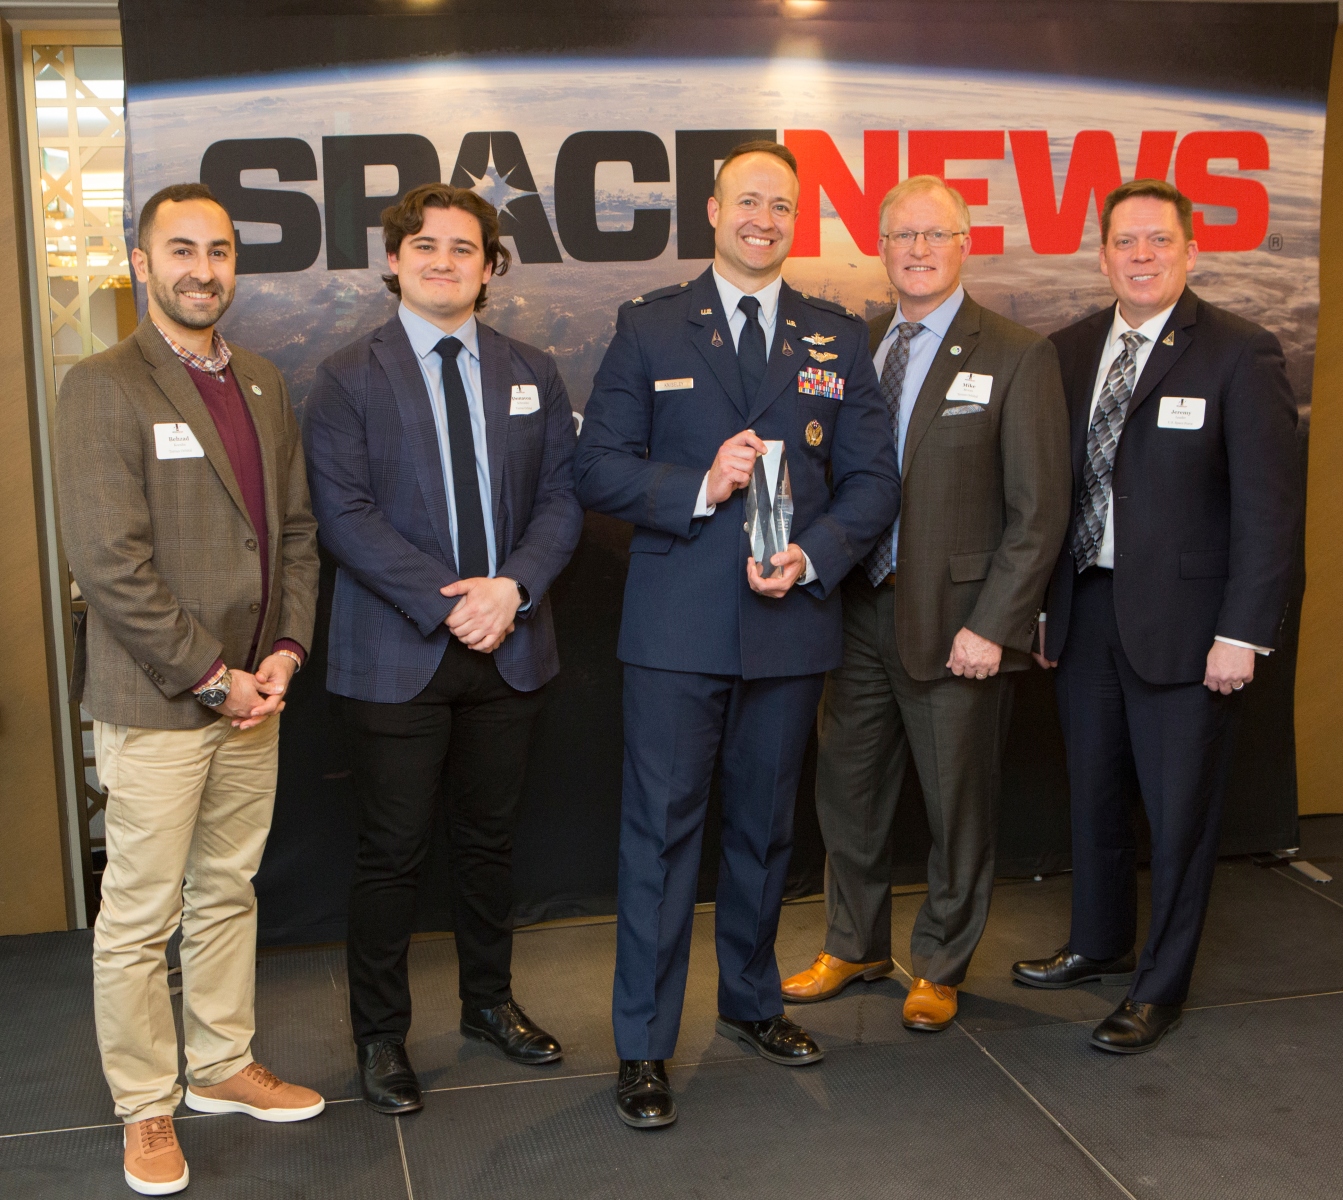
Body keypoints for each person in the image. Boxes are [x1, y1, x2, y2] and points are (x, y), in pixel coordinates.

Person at [574, 140, 899, 1129]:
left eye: (781, 205)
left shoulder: (834, 336)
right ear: (712, 212)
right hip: (675, 631)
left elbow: (871, 483)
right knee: (660, 840)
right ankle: (643, 1045)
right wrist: (698, 485)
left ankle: (753, 1004)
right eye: (746, 201)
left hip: (788, 623)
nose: (763, 218)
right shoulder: (650, 326)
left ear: (797, 220)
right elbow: (596, 467)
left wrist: (812, 555)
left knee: (764, 833)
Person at [54, 182, 324, 1196]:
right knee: (138, 918)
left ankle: (219, 1064)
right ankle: (145, 1105)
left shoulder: (261, 381)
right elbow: (108, 564)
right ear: (141, 263)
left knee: (225, 892)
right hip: (164, 701)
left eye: (218, 251)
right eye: (181, 250)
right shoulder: (101, 386)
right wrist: (214, 679)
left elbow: (292, 532)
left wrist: (285, 651)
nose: (202, 270)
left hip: (258, 695)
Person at [303, 183, 583, 1115]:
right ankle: (380, 1036)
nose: (443, 261)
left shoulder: (532, 370)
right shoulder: (346, 375)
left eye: (464, 248)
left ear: (489, 266)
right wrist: (450, 603)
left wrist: (511, 589)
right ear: (393, 260)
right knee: (390, 853)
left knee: (490, 842)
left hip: (511, 642)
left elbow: (561, 498)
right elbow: (344, 515)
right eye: (424, 245)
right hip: (399, 652)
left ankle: (488, 1004)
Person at [1012, 180, 1302, 1052]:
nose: (1140, 257)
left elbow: (1268, 511)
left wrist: (1241, 633)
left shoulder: (1238, 352)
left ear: (1190, 251)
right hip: (1085, 610)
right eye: (1124, 243)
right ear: (1102, 256)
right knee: (1093, 795)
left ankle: (1159, 987)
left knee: (1178, 817)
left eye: (1158, 241)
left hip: (1190, 627)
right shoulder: (1067, 351)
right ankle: (1098, 943)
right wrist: (1041, 609)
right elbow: (1049, 495)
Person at [781, 176, 1071, 1030]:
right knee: (846, 794)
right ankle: (854, 945)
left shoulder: (1016, 353)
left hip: (957, 625)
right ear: (880, 248)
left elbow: (1038, 512)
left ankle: (939, 964)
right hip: (853, 612)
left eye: (933, 234)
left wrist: (994, 625)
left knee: (957, 807)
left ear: (964, 243)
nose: (916, 250)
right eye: (901, 236)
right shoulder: (856, 345)